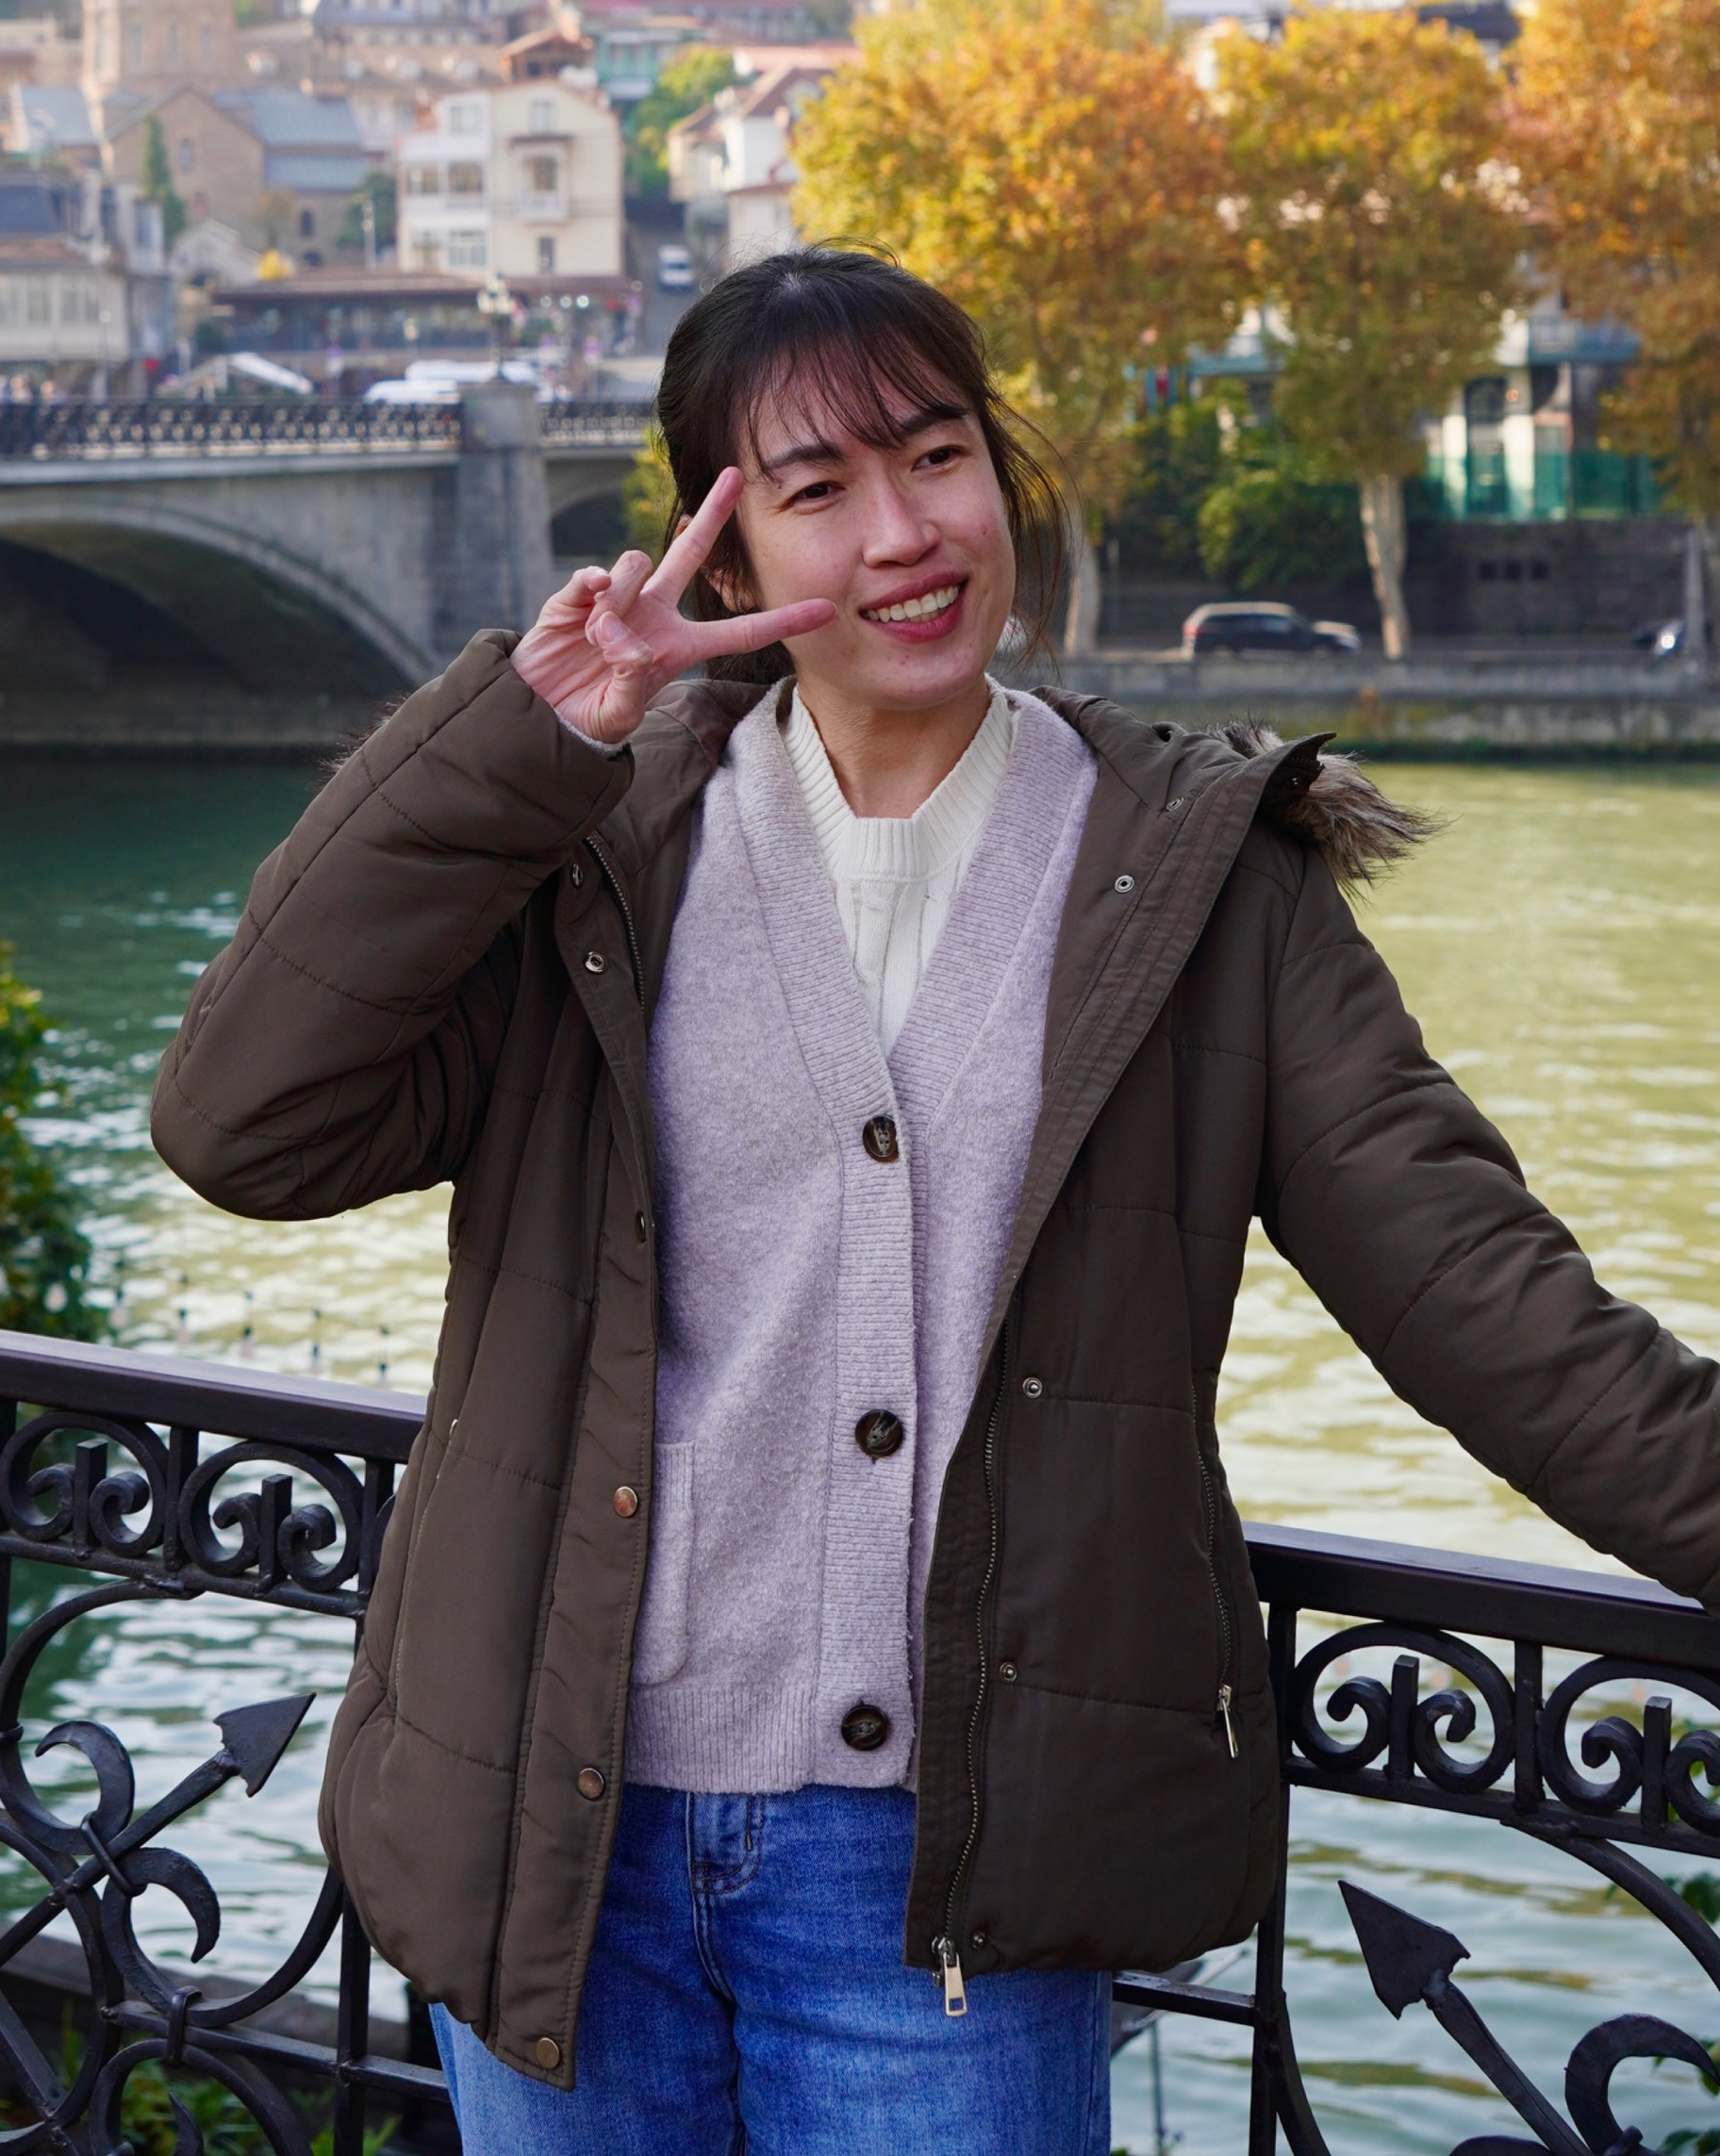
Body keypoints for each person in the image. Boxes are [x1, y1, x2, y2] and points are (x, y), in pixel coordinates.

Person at [151, 247, 1720, 2153]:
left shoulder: (1201, 881)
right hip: (558, 1856)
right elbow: (242, 1125)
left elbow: (1490, 1303)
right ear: (719, 561)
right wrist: (517, 741)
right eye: (817, 489)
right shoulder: (585, 857)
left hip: (939, 1901)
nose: (903, 531)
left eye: (937, 454)